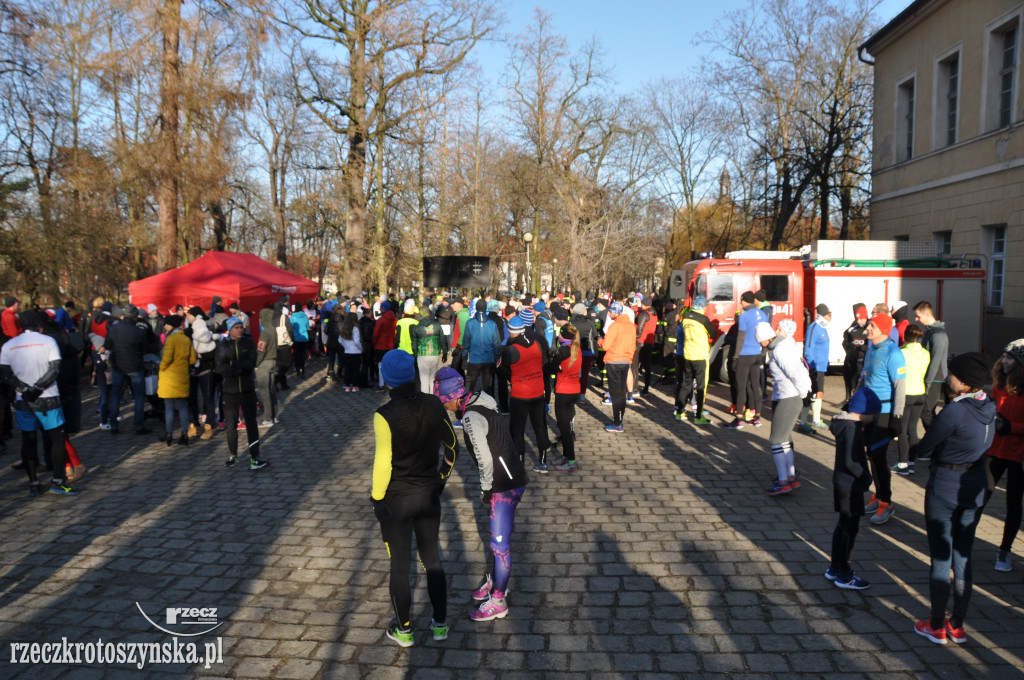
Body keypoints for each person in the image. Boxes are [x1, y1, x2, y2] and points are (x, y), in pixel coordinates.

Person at [372, 351, 458, 646]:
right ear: (411, 374)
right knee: (432, 559)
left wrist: (376, 498)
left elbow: (383, 462)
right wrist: (440, 481)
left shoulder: (383, 415)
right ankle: (439, 625)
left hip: (396, 499)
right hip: (428, 494)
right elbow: (453, 447)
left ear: (387, 379)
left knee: (399, 565)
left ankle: (404, 629)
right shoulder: (434, 403)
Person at [913, 352, 995, 646]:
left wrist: (922, 453)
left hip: (945, 489)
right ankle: (957, 625)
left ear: (964, 383)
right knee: (963, 557)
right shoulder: (989, 405)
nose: (947, 377)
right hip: (974, 489)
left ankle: (936, 625)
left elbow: (925, 447)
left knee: (940, 558)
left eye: (952, 374)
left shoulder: (954, 411)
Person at [433, 367, 527, 621]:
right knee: (499, 541)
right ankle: (495, 580)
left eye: (445, 402)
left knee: (499, 545)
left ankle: (498, 600)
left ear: (452, 397)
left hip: (504, 485)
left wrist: (486, 487)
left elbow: (484, 457)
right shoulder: (481, 398)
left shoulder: (470, 418)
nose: (446, 407)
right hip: (514, 474)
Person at [0, 310, 78, 496]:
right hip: (48, 396)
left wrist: (25, 389)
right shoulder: (48, 341)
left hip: (23, 399)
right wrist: (37, 388)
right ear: (39, 326)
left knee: (28, 440)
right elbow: (55, 368)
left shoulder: (9, 345)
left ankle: (33, 482)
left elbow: (5, 374)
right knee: (56, 439)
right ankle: (58, 481)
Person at [826, 387, 883, 590]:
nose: (874, 417)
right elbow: (852, 461)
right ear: (865, 412)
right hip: (851, 486)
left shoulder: (843, 424)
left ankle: (834, 568)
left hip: (841, 483)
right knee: (850, 529)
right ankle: (844, 573)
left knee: (842, 526)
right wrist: (866, 477)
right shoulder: (852, 429)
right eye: (874, 414)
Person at [860, 313, 906, 526]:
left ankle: (886, 503)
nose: (868, 328)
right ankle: (878, 496)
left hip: (884, 413)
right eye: (869, 324)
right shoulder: (871, 350)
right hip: (868, 411)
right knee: (871, 455)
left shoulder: (893, 353)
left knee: (878, 457)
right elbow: (864, 379)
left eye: (872, 325)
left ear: (883, 329)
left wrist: (897, 417)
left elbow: (900, 387)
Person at [985, 339, 1024, 573]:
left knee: (1013, 504)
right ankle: (964, 542)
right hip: (996, 450)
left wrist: (1012, 427)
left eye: (1010, 358)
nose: (1004, 361)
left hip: (1019, 455)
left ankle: (1005, 550)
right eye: (1004, 357)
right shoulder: (998, 383)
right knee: (981, 495)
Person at [215, 318, 268, 470]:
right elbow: (220, 367)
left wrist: (233, 364)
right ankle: (233, 454)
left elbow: (252, 362)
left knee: (251, 423)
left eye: (241, 327)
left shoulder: (248, 342)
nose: (240, 330)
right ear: (230, 330)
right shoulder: (223, 345)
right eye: (236, 327)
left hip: (247, 389)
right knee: (231, 425)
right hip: (229, 392)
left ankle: (255, 456)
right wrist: (238, 369)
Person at [765, 319, 811, 495]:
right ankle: (789, 477)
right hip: (786, 396)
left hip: (788, 396)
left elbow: (796, 372)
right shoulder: (784, 347)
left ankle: (784, 480)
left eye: (779, 329)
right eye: (776, 328)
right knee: (783, 440)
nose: (776, 331)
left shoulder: (782, 348)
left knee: (777, 440)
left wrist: (803, 392)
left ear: (787, 332)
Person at [500, 315, 553, 464]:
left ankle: (520, 462)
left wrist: (514, 379)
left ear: (512, 332)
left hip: (519, 394)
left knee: (517, 429)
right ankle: (543, 462)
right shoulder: (536, 343)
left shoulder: (510, 350)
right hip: (537, 392)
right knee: (540, 427)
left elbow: (505, 371)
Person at [105, 304, 155, 436]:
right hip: (134, 366)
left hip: (118, 366)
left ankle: (114, 425)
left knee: (116, 395)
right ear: (134, 317)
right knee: (138, 396)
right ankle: (138, 426)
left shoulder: (114, 329)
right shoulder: (138, 331)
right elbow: (145, 348)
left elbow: (108, 345)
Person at [726, 292, 768, 429]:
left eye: (741, 301)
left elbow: (741, 339)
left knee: (741, 387)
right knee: (756, 386)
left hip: (745, 355)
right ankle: (757, 418)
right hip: (757, 354)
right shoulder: (763, 314)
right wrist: (763, 354)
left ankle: (738, 419)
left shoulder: (744, 316)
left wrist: (736, 357)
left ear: (745, 301)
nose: (741, 304)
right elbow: (765, 336)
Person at [892, 324, 929, 475]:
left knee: (902, 430)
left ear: (905, 337)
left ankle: (902, 463)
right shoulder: (926, 353)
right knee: (913, 430)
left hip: (905, 394)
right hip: (920, 393)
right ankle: (912, 462)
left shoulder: (901, 353)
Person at [545, 324, 582, 472]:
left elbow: (552, 368)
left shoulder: (562, 351)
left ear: (562, 336)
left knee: (564, 430)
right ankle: (566, 457)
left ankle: (572, 461)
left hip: (563, 392)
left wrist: (552, 360)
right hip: (575, 391)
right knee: (566, 426)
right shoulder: (577, 348)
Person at [674, 296, 716, 424]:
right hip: (700, 356)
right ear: (703, 306)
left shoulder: (686, 318)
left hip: (687, 355)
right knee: (701, 386)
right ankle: (698, 417)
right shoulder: (703, 319)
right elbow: (713, 334)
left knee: (686, 384)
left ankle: (680, 412)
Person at [598, 301, 636, 433]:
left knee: (616, 394)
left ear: (615, 312)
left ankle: (617, 423)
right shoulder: (631, 326)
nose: (608, 313)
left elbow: (606, 346)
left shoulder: (614, 326)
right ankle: (619, 420)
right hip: (625, 361)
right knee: (621, 392)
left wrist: (599, 340)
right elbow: (633, 345)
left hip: (614, 361)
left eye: (610, 312)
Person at [158, 314, 196, 446]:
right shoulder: (185, 339)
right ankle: (184, 434)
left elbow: (167, 358)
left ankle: (169, 434)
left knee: (169, 407)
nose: (165, 326)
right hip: (182, 376)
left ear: (172, 325)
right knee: (182, 407)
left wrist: (161, 367)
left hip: (169, 377)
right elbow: (192, 359)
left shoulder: (170, 339)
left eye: (167, 324)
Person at [913, 301, 948, 430]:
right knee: (928, 411)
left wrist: (928, 382)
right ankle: (934, 441)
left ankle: (935, 440)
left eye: (918, 316)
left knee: (926, 411)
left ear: (927, 314)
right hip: (929, 377)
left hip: (935, 378)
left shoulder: (938, 334)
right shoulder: (930, 331)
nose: (916, 319)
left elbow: (936, 360)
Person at [185, 306, 218, 440]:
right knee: (191, 398)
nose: (187, 317)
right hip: (192, 370)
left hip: (206, 369)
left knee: (208, 398)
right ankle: (194, 424)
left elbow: (215, 351)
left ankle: (209, 425)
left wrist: (201, 357)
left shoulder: (209, 329)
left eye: (189, 315)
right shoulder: (187, 332)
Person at [798, 304, 831, 432]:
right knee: (809, 395)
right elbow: (808, 348)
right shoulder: (814, 327)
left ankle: (816, 420)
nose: (830, 318)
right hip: (814, 367)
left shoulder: (823, 328)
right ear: (822, 315)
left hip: (821, 367)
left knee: (819, 393)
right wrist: (810, 366)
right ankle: (803, 423)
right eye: (829, 315)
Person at [462, 300, 501, 397]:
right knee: (488, 387)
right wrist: (497, 357)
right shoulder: (492, 323)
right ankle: (489, 408)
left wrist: (464, 357)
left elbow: (466, 342)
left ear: (476, 308)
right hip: (489, 359)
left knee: (469, 386)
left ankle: (466, 405)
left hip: (474, 359)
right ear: (486, 309)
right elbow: (496, 343)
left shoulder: (470, 323)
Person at [411, 303, 444, 394]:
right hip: (434, 353)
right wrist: (444, 352)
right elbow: (442, 338)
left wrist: (415, 352)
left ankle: (425, 400)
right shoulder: (437, 324)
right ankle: (433, 399)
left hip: (422, 354)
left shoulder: (417, 327)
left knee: (424, 379)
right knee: (432, 378)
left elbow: (414, 342)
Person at [842, 304, 870, 402]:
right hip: (851, 359)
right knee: (848, 377)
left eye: (862, 319)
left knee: (859, 382)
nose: (859, 321)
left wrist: (863, 348)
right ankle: (847, 398)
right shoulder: (852, 328)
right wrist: (850, 349)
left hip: (862, 361)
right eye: (857, 319)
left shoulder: (869, 327)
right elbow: (845, 342)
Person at [633, 295, 658, 396]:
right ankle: (646, 388)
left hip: (641, 342)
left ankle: (635, 388)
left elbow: (639, 329)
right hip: (650, 342)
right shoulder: (654, 314)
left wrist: (635, 338)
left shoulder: (644, 314)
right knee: (647, 366)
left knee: (635, 366)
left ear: (644, 304)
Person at [372, 302, 397, 389]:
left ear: (383, 308)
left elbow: (376, 334)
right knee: (389, 365)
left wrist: (374, 343)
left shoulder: (380, 320)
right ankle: (390, 383)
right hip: (390, 345)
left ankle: (381, 384)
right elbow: (395, 333)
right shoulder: (394, 319)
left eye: (381, 308)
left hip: (380, 346)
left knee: (380, 366)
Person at [339, 312, 362, 392]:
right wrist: (361, 348)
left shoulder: (343, 328)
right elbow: (356, 341)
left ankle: (347, 386)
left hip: (347, 351)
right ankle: (355, 386)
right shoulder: (355, 328)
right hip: (356, 352)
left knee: (347, 369)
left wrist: (346, 346)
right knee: (355, 369)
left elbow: (339, 340)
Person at [290, 304, 310, 378]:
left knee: (296, 356)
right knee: (302, 355)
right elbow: (308, 327)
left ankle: (298, 372)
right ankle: (303, 371)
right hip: (304, 338)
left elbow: (290, 328)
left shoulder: (292, 317)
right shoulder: (305, 316)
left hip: (296, 339)